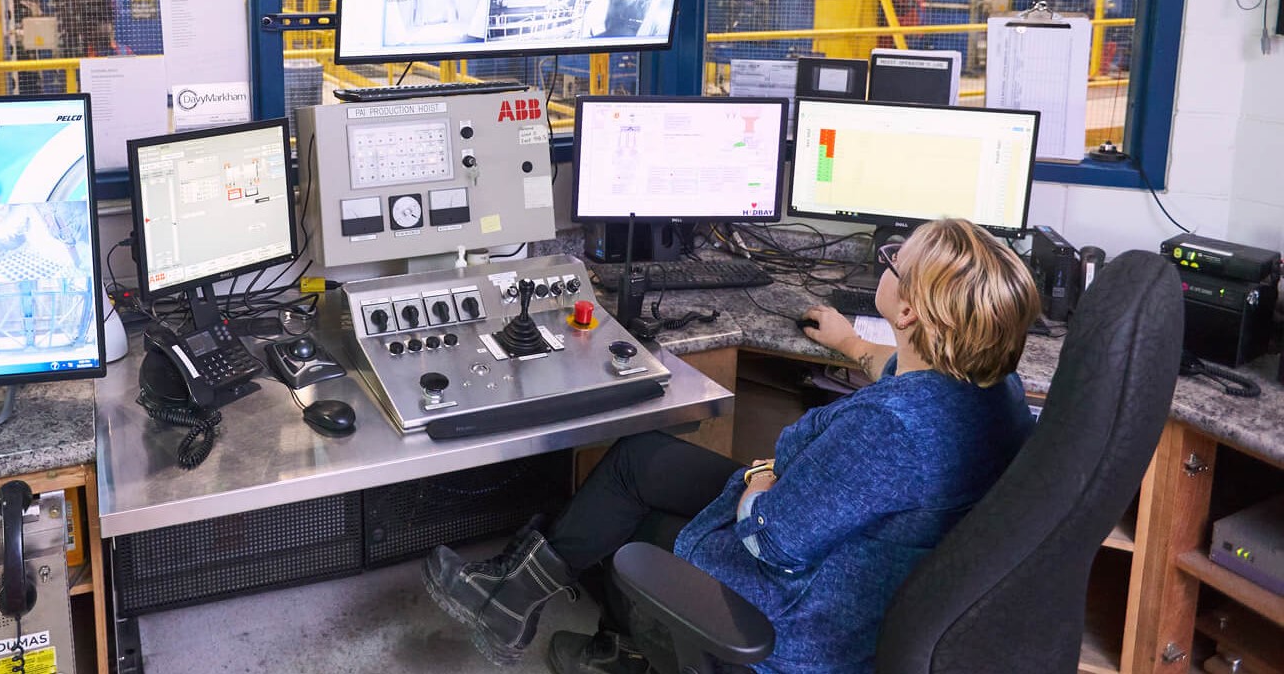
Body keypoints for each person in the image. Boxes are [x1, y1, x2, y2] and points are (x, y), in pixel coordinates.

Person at [424, 217, 1040, 674]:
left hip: (802, 616)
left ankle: (619, 650)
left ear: (907, 314)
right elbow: (901, 371)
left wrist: (759, 484)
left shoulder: (890, 432)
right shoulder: (989, 385)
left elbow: (773, 542)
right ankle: (519, 600)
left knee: (637, 536)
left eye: (893, 261)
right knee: (643, 458)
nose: (887, 261)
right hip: (855, 559)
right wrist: (851, 344)